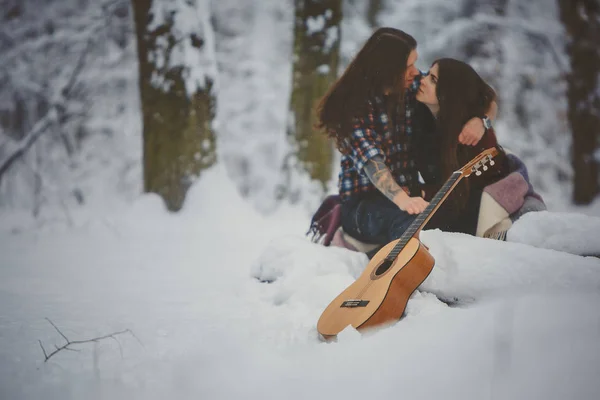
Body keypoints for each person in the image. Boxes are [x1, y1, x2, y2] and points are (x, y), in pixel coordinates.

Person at [314, 28, 497, 248]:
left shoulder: (410, 86)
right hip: (363, 206)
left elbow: (483, 95)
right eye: (407, 67)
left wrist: (481, 120)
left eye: (414, 63)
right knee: (412, 223)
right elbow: (373, 163)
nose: (415, 72)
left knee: (461, 212)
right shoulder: (353, 109)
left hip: (411, 194)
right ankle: (406, 277)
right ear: (387, 70)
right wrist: (404, 200)